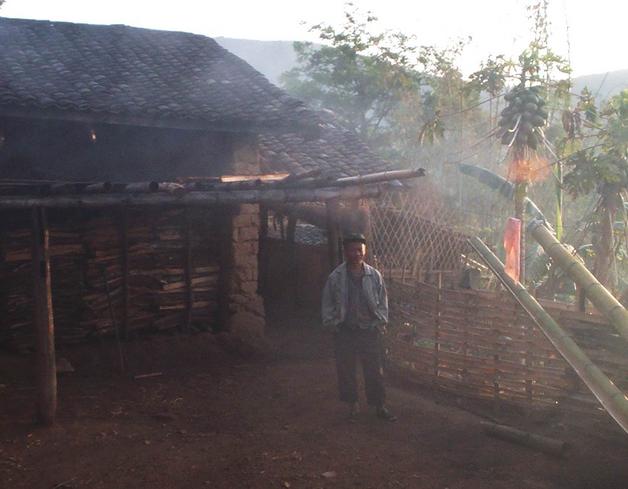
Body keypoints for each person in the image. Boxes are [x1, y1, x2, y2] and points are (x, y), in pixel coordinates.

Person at [321, 233, 396, 422]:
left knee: (374, 370)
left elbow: (382, 301)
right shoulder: (336, 277)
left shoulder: (374, 276)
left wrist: (380, 322)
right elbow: (327, 302)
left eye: (359, 250)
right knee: (346, 370)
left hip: (369, 330)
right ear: (345, 252)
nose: (356, 254)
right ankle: (352, 406)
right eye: (352, 250)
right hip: (345, 330)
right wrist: (332, 323)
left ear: (365, 251)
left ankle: (379, 406)